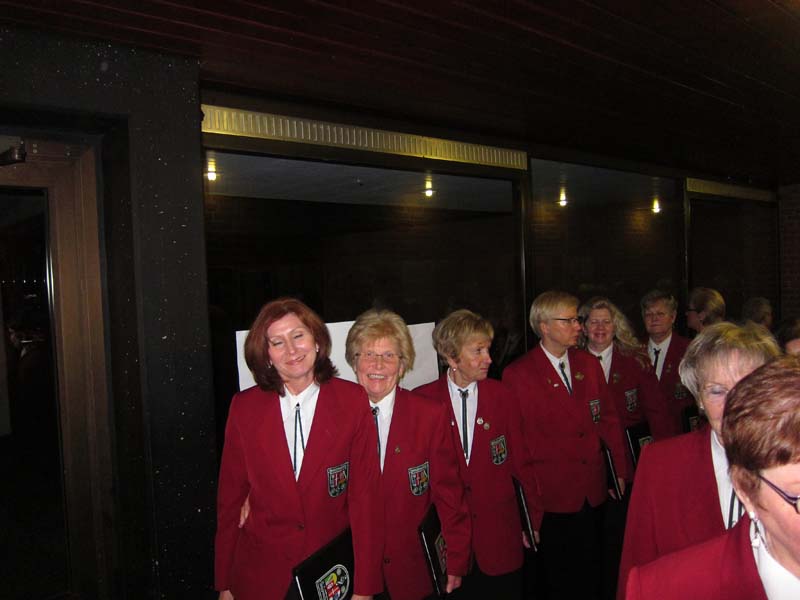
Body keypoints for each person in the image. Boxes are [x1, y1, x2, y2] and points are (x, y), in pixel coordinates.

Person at [214, 298, 383, 600]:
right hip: (260, 575)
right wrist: (224, 582)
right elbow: (230, 501)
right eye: (277, 342)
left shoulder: (352, 401)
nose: (291, 350)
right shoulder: (244, 408)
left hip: (328, 573)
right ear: (266, 354)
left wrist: (365, 587)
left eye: (298, 336)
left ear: (317, 341)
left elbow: (365, 500)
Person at [617, 322, 780, 598]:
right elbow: (636, 564)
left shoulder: (791, 465)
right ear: (699, 399)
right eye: (717, 391)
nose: (734, 405)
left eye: (748, 386)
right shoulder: (660, 464)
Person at [503, 291, 628, 600]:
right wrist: (529, 512)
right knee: (560, 581)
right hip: (552, 498)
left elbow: (608, 421)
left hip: (593, 490)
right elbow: (518, 448)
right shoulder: (518, 375)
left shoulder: (588, 364)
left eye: (577, 319)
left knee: (595, 575)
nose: (578, 327)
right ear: (544, 326)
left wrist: (618, 471)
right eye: (569, 320)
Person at [344, 309, 471, 600]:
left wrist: (455, 557)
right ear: (354, 361)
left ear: (402, 365)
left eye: (389, 355)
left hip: (412, 571)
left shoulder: (429, 416)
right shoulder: (333, 417)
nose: (378, 365)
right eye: (368, 354)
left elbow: (449, 493)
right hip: (351, 571)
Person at [414, 309, 538, 600]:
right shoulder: (423, 401)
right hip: (449, 543)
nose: (489, 359)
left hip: (500, 536)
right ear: (451, 356)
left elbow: (522, 461)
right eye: (478, 351)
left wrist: (531, 520)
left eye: (488, 349)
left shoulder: (502, 395)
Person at [579, 296, 673, 599]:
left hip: (629, 466)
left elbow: (657, 414)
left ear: (616, 325)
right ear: (583, 327)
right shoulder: (571, 362)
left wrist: (661, 464)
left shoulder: (635, 360)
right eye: (594, 321)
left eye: (606, 321)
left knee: (619, 537)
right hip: (586, 467)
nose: (600, 327)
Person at [640, 290, 690, 436]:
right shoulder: (634, 352)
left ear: (673, 317)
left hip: (680, 433)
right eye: (649, 314)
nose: (654, 319)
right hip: (645, 436)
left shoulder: (689, 350)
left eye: (660, 314)